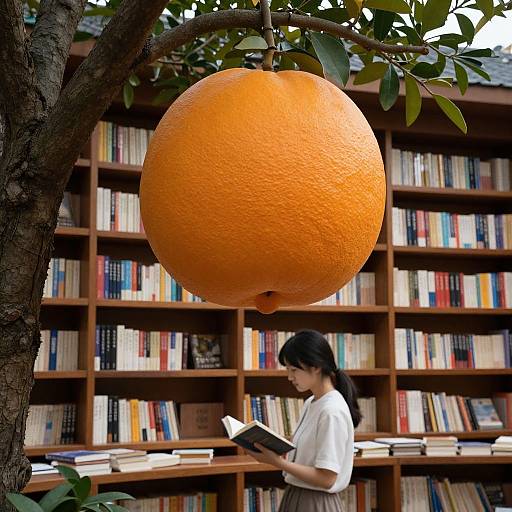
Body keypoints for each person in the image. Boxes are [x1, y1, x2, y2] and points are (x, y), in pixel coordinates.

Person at [244, 329, 361, 512]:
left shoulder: (332, 412)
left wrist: (277, 462)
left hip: (316, 502)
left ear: (315, 367)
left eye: (294, 370)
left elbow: (326, 478)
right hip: (296, 494)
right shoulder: (311, 403)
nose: (290, 377)